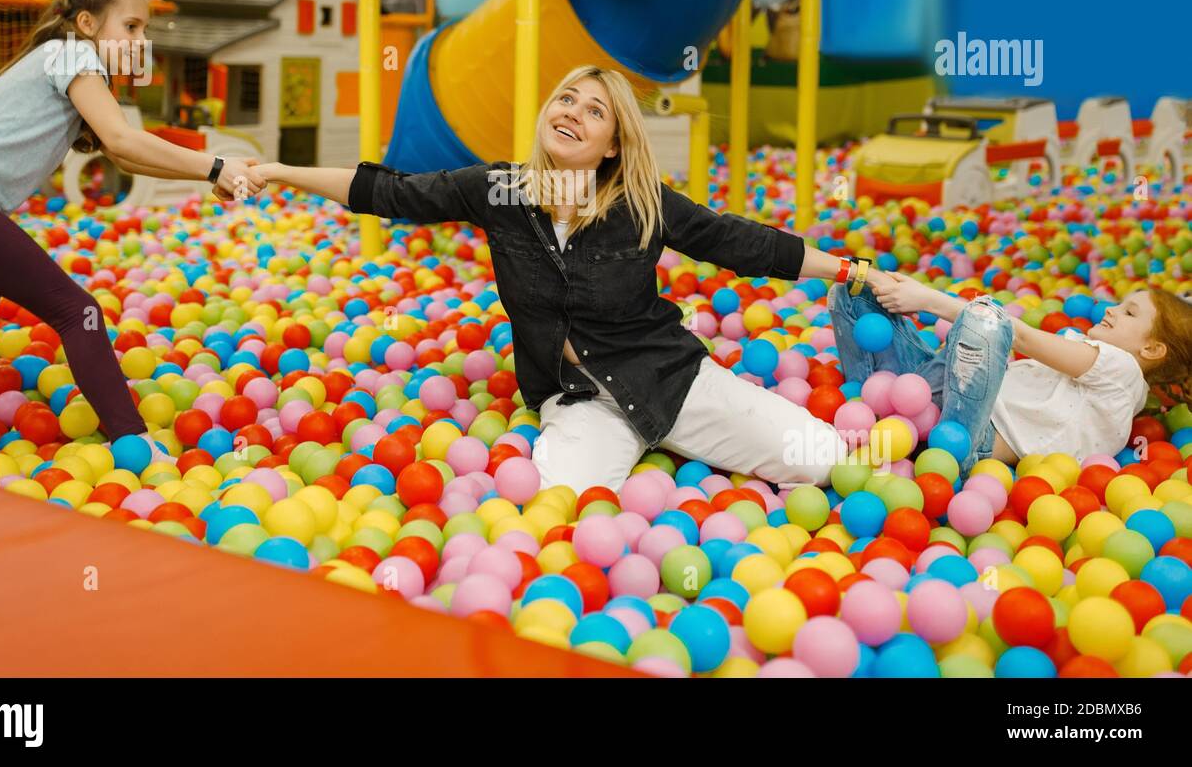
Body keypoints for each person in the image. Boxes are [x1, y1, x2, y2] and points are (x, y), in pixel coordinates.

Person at [252, 64, 899, 493]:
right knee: (560, 510)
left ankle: (680, 445)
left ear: (613, 143)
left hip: (669, 379)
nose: (572, 113)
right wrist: (281, 171)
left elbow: (741, 242)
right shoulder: (501, 190)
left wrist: (851, 270)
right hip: (581, 402)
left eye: (594, 111)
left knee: (823, 460)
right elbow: (389, 191)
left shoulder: (642, 201)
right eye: (566, 99)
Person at [0, 0, 267, 446]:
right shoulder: (73, 55)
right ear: (86, 23)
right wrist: (216, 166)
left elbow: (125, 155)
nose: (140, 41)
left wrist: (211, 173)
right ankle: (134, 443)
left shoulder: (57, 62)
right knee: (79, 311)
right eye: (130, 27)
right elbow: (122, 138)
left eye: (144, 31)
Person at [834, 272, 1192, 475]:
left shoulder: (1122, 369)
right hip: (935, 399)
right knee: (857, 290)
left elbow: (1017, 335)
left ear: (1151, 350)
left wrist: (925, 298)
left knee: (987, 321)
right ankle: (877, 411)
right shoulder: (1110, 381)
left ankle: (877, 417)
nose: (1111, 309)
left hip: (965, 433)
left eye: (1129, 313)